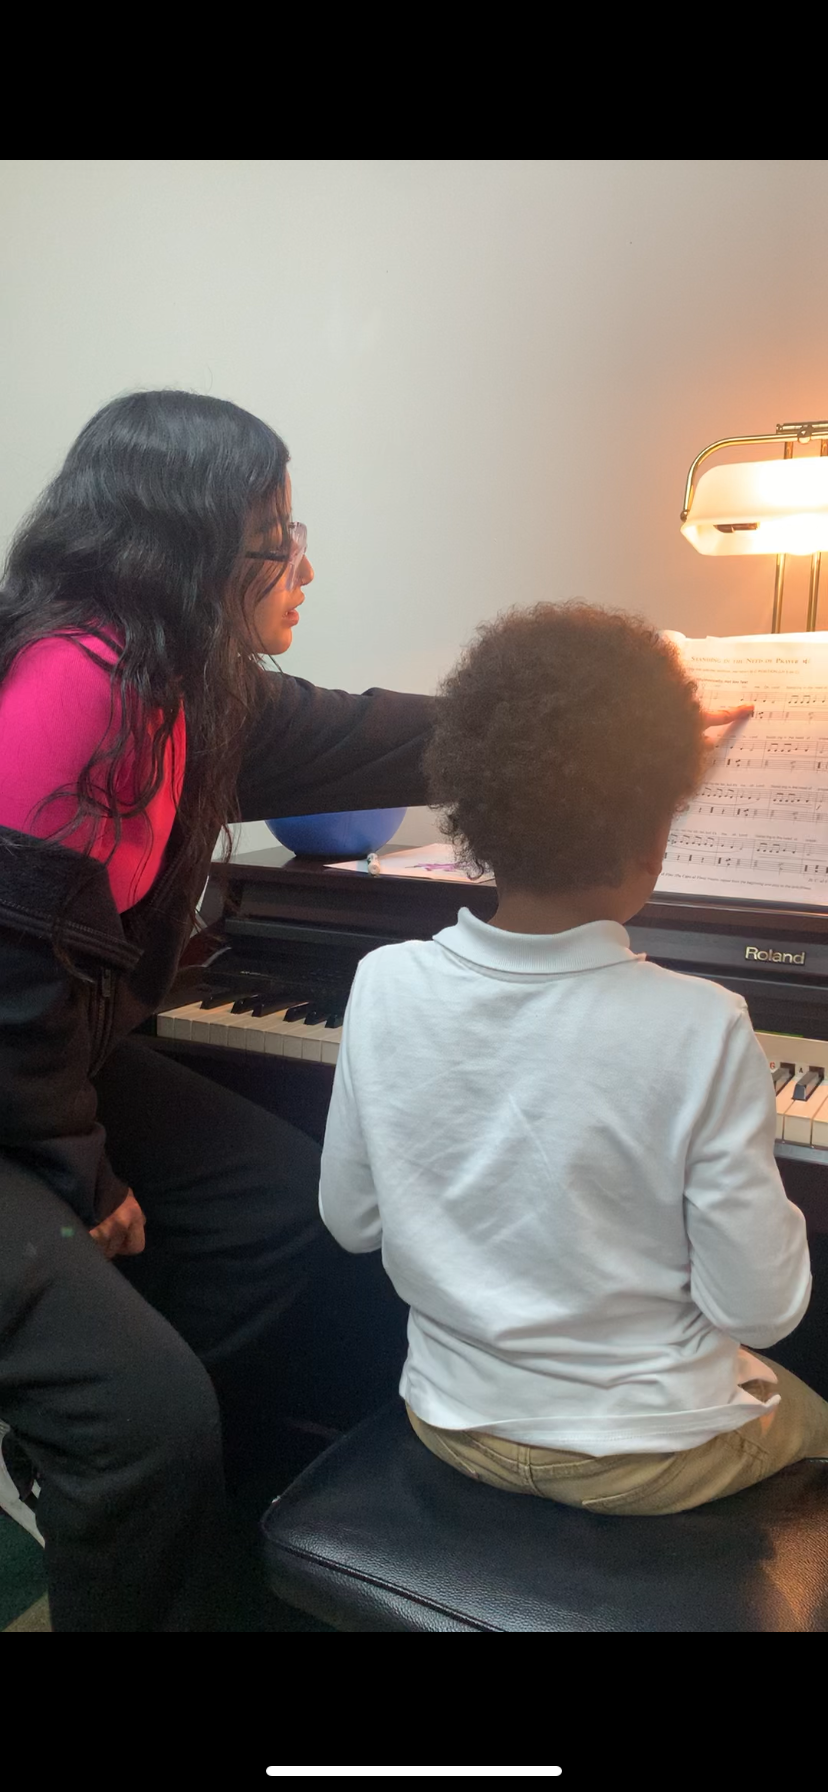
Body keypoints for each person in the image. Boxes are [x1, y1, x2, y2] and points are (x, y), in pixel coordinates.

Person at [0, 390, 437, 1630]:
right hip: (13, 1073)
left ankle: (118, 1473)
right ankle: (122, 1451)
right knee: (145, 1417)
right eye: (277, 540)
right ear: (187, 541)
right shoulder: (69, 687)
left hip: (46, 1061)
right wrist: (82, 1180)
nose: (304, 567)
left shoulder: (189, 683)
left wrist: (583, 716)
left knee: (273, 1204)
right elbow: (9, 983)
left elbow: (360, 736)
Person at [319, 602, 828, 1515]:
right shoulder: (703, 1026)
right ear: (653, 837)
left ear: (473, 815)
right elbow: (763, 1308)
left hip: (448, 1416)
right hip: (642, 1459)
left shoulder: (382, 981)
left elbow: (351, 1221)